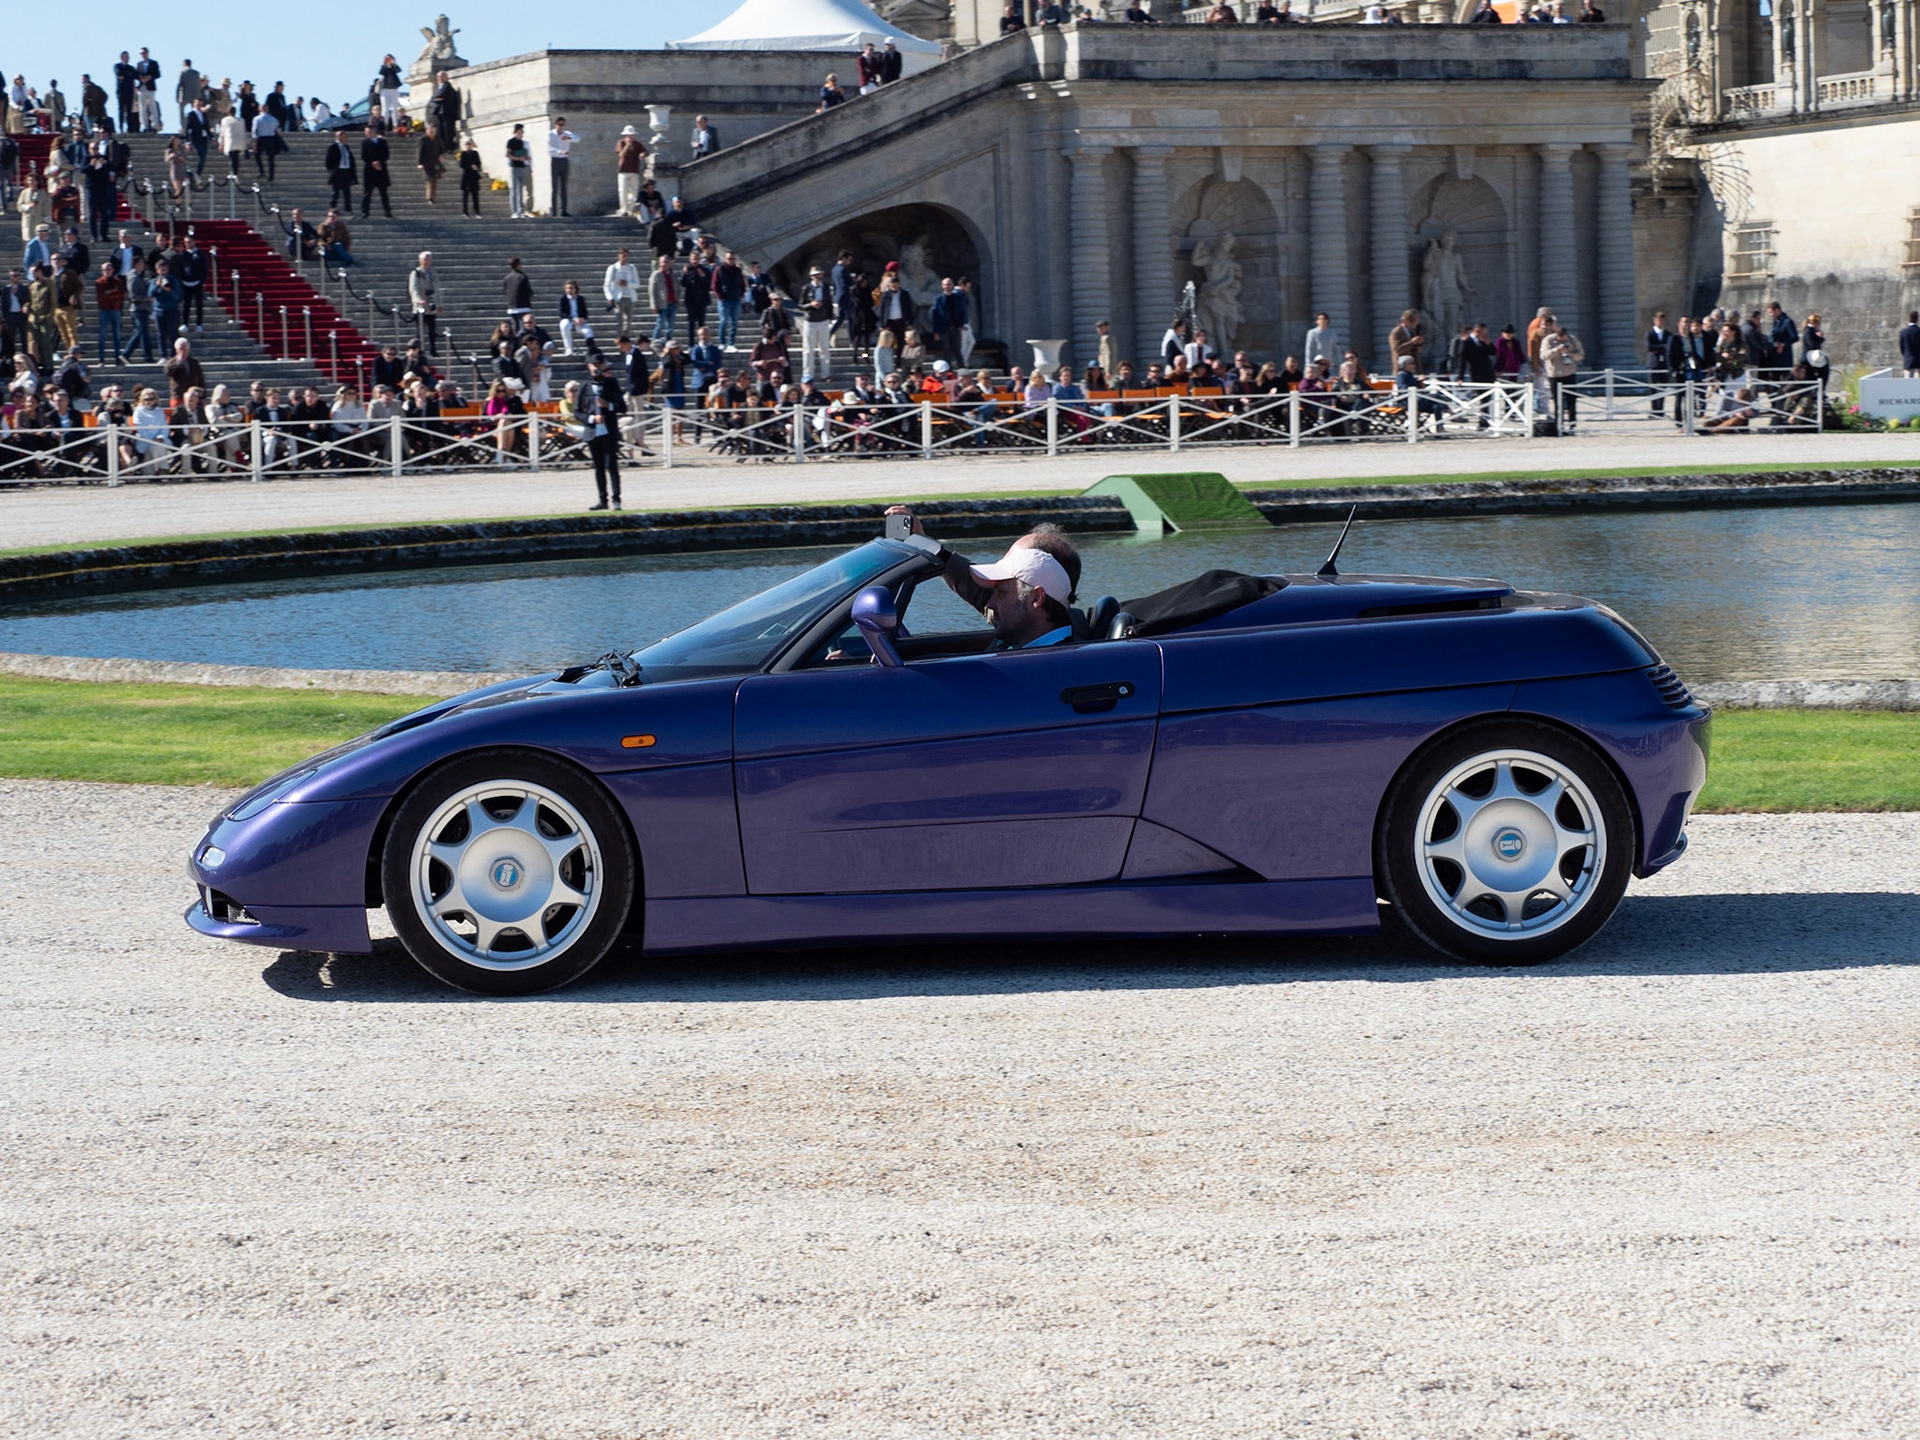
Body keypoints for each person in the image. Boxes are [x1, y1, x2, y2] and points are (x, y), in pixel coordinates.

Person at [582, 352, 626, 510]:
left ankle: (616, 500)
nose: (597, 369)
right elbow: (577, 411)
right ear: (589, 366)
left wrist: (610, 406)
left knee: (612, 467)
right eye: (595, 365)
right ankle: (602, 500)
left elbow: (622, 407)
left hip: (609, 432)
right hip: (594, 432)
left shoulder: (612, 383)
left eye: (600, 365)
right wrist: (592, 419)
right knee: (599, 468)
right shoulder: (585, 386)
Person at [1540, 322, 1583, 433]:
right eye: (1561, 339)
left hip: (1569, 373)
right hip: (1555, 375)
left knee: (1571, 401)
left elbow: (1581, 355)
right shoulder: (1548, 340)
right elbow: (1544, 355)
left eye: (1564, 339)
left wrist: (1572, 355)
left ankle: (1572, 425)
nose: (1563, 341)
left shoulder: (1573, 340)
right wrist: (1557, 350)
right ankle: (1559, 425)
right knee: (1557, 402)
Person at [547, 116, 579, 218]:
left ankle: (564, 210)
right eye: (559, 124)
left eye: (562, 125)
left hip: (564, 161)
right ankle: (554, 211)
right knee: (555, 187)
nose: (561, 127)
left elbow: (578, 138)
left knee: (564, 187)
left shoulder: (566, 133)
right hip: (555, 160)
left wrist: (569, 138)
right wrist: (561, 152)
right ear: (555, 124)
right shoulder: (550, 134)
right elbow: (550, 149)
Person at [409, 251, 438, 355]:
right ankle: (419, 349)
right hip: (420, 305)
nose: (427, 261)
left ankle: (433, 348)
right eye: (425, 259)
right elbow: (413, 289)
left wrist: (439, 304)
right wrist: (418, 300)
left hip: (431, 304)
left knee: (432, 329)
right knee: (420, 329)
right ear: (420, 260)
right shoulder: (416, 273)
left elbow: (437, 289)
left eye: (428, 259)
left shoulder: (433, 272)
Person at [361, 123, 392, 218]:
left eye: (370, 131)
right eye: (367, 132)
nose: (369, 133)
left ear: (374, 131)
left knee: (383, 192)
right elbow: (363, 156)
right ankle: (365, 212)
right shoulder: (365, 143)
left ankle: (387, 211)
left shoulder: (382, 142)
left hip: (381, 171)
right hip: (369, 171)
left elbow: (386, 155)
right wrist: (372, 163)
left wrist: (380, 162)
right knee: (367, 193)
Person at [615, 125, 646, 215]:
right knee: (623, 190)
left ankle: (630, 209)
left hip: (634, 169)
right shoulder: (621, 142)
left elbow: (644, 151)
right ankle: (623, 208)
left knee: (634, 190)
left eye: (631, 135)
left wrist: (642, 154)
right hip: (623, 170)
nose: (630, 137)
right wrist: (627, 146)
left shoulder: (637, 143)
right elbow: (621, 154)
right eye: (628, 135)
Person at [558, 279, 592, 356]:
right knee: (564, 325)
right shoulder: (563, 299)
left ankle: (591, 350)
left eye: (571, 288)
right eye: (568, 288)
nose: (570, 290)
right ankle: (569, 349)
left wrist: (582, 319)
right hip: (569, 320)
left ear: (575, 289)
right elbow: (561, 313)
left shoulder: (580, 299)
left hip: (579, 321)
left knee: (588, 331)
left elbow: (585, 312)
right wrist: (573, 319)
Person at [505, 124, 531, 219]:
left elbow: (523, 153)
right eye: (521, 131)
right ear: (517, 131)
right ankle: (514, 211)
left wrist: (526, 158)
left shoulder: (521, 142)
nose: (522, 133)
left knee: (520, 189)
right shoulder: (511, 141)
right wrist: (518, 158)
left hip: (522, 166)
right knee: (514, 189)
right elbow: (507, 154)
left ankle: (521, 211)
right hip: (514, 167)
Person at [375, 55, 404, 129]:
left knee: (395, 108)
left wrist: (394, 64)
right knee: (385, 108)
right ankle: (385, 124)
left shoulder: (394, 68)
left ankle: (395, 125)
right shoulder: (384, 68)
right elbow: (381, 72)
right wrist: (385, 65)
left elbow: (399, 70)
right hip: (385, 90)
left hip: (394, 89)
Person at [1899, 310, 1920, 378]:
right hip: (1919, 361)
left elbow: (1902, 348)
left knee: (1907, 383)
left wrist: (1906, 355)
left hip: (1908, 361)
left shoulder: (1903, 332)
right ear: (1917, 319)